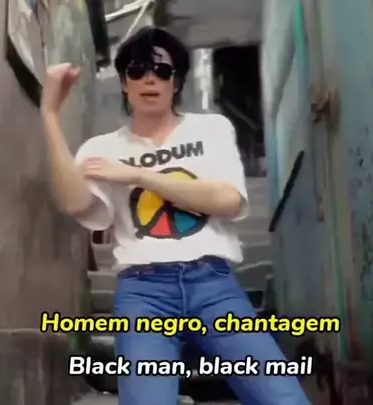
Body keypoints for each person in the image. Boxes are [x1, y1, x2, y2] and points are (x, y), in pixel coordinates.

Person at [40, 26, 311, 405]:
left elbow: (228, 201)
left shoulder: (210, 128)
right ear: (124, 82)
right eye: (137, 70)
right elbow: (76, 204)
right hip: (143, 294)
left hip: (213, 285)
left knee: (283, 398)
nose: (149, 79)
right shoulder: (102, 148)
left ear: (177, 81)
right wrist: (50, 115)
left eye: (162, 71)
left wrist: (138, 176)